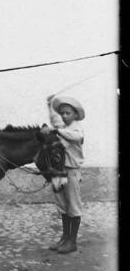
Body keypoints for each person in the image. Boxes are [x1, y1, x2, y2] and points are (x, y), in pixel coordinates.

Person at [43, 94, 85, 254]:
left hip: (71, 172)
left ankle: (72, 242)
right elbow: (55, 121)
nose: (64, 116)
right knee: (62, 205)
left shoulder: (76, 127)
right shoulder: (63, 127)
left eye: (68, 113)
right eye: (63, 113)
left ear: (75, 114)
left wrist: (56, 130)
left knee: (73, 206)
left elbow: (77, 137)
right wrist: (50, 106)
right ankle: (65, 238)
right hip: (58, 171)